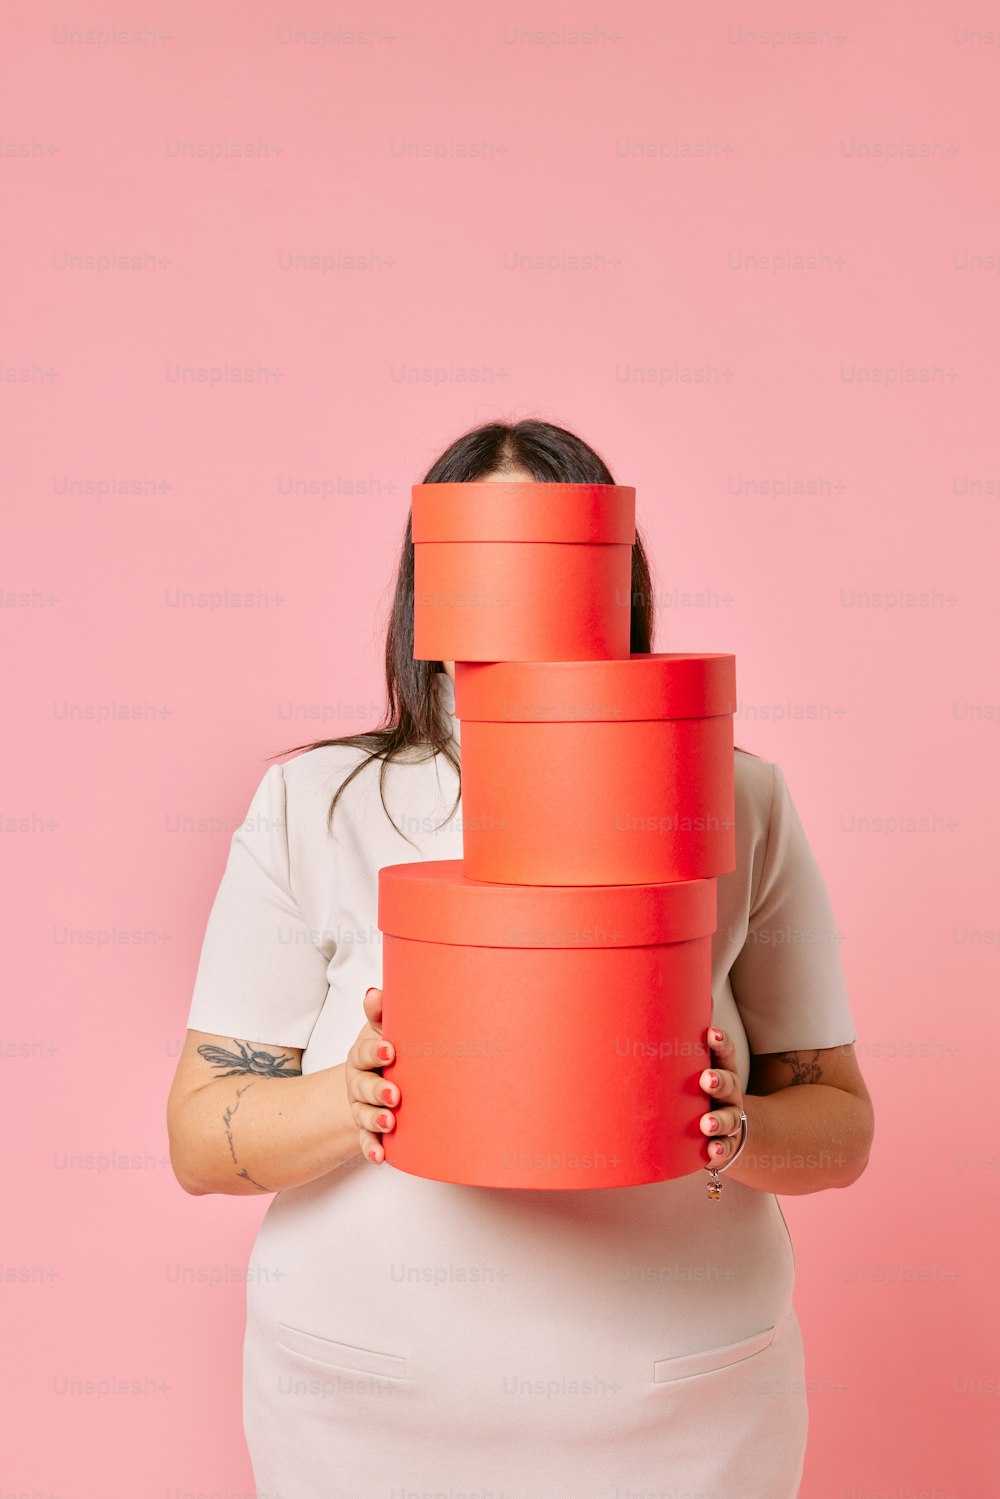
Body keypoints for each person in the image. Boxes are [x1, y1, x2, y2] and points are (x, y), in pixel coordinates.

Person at [167, 418, 875, 1499]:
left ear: (614, 575)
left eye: (553, 552)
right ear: (428, 586)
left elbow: (840, 1124)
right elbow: (199, 1139)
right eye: (484, 555)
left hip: (683, 1414)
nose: (518, 598)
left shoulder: (738, 797)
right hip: (364, 1410)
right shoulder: (315, 804)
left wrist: (739, 1127)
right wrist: (354, 1094)